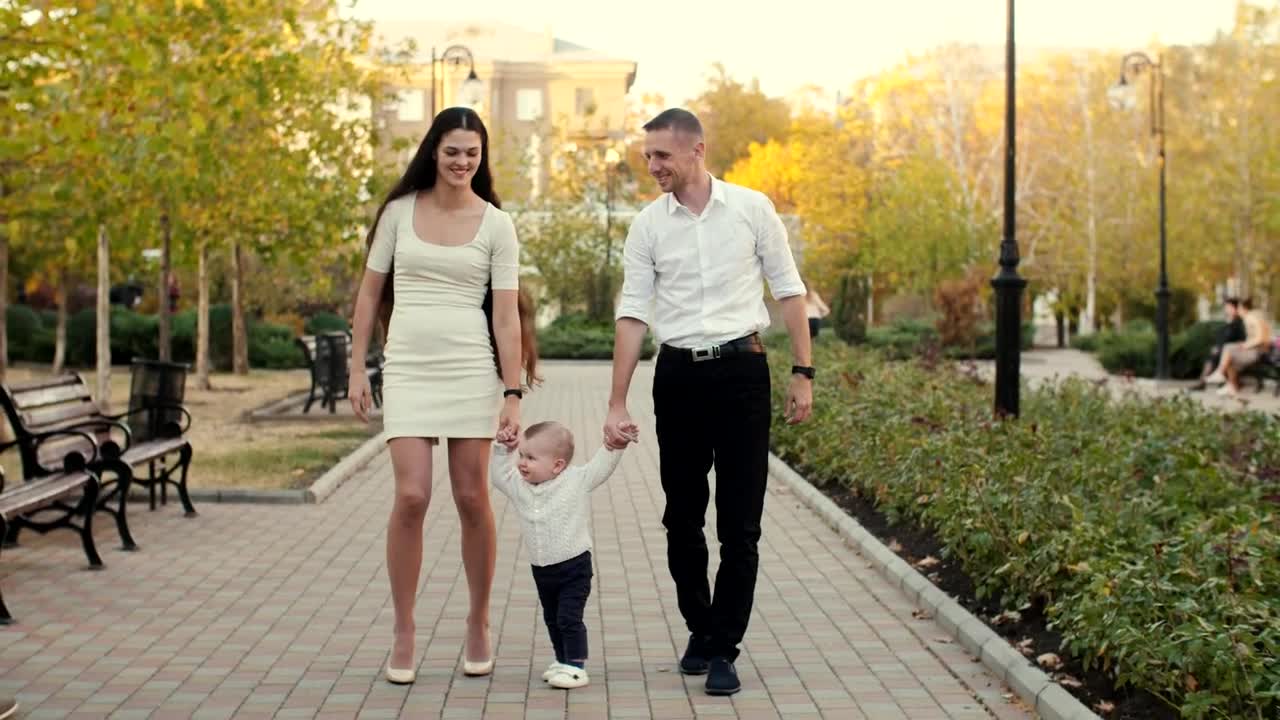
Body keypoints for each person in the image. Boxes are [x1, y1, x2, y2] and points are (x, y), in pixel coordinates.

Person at [602, 108, 814, 697]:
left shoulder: (752, 209)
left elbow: (790, 291)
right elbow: (633, 313)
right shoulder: (648, 225)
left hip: (743, 373)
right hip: (678, 378)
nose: (652, 167)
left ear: (697, 150)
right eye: (647, 157)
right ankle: (701, 625)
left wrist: (804, 372)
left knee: (740, 524)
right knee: (681, 518)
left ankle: (723, 646)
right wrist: (617, 402)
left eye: (661, 156)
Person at [347, 107, 539, 685]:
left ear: (481, 159)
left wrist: (512, 393)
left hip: (470, 369)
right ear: (434, 150)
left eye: (472, 153)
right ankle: (404, 628)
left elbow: (505, 317)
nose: (461, 161)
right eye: (453, 150)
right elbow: (368, 295)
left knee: (472, 498)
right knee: (411, 496)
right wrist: (358, 368)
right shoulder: (399, 214)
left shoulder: (496, 225)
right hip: (407, 367)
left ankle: (478, 622)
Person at [489, 420, 638, 689]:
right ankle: (562, 660)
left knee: (569, 618)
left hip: (574, 566)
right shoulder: (519, 486)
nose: (522, 462)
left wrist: (616, 446)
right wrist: (502, 448)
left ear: (557, 465)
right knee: (552, 617)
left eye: (531, 458)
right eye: (522, 455)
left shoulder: (575, 480)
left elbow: (600, 467)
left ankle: (576, 666)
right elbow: (499, 476)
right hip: (542, 569)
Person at [1209, 297, 1274, 397]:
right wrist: (1243, 344)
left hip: (1259, 351)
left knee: (1229, 349)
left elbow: (1261, 337)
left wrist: (1245, 345)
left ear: (1244, 309)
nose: (1237, 310)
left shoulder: (1251, 318)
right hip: (1257, 350)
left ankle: (1221, 373)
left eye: (1238, 308)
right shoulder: (1251, 317)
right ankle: (1231, 386)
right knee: (1229, 353)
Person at [1189, 297, 1246, 391]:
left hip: (1231, 351)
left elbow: (1240, 340)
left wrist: (1221, 348)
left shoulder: (1238, 323)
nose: (1226, 309)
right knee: (1211, 356)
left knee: (1213, 358)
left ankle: (1205, 382)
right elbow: (1221, 338)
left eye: (1229, 307)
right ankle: (1205, 381)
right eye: (1226, 307)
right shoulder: (1228, 322)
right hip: (1223, 350)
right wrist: (1217, 347)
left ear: (1235, 308)